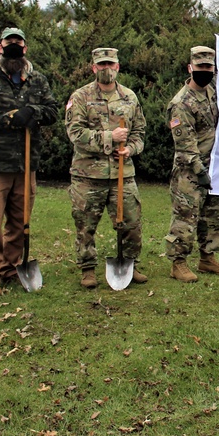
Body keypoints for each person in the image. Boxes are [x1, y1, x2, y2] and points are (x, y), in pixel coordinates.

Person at [0, 27, 59, 296]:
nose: (13, 46)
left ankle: (10, 267)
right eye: (9, 42)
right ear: (0, 47)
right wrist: (11, 117)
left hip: (25, 164)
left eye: (18, 42)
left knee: (20, 222)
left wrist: (34, 111)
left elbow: (53, 110)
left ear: (25, 48)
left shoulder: (37, 80)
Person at [65, 47, 148, 288]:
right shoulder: (80, 97)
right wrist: (110, 137)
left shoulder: (130, 97)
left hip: (123, 172)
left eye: (110, 64)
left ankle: (130, 264)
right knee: (85, 224)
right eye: (102, 65)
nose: (106, 69)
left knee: (131, 223)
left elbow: (139, 133)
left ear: (118, 67)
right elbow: (75, 133)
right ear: (93, 68)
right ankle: (88, 269)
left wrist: (130, 149)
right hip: (88, 174)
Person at [165, 45, 219, 282]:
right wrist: (199, 171)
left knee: (213, 215)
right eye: (200, 67)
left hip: (214, 167)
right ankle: (178, 263)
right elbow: (184, 145)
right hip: (190, 171)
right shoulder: (181, 103)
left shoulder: (212, 92)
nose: (205, 71)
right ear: (190, 68)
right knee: (186, 218)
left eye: (209, 67)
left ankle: (208, 258)